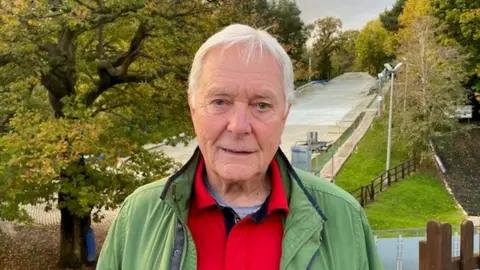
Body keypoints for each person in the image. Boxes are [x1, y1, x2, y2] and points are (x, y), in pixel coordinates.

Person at [96, 23, 384, 270]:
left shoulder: (345, 219)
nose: (238, 126)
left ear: (284, 114)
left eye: (261, 105)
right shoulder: (138, 216)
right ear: (193, 107)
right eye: (220, 101)